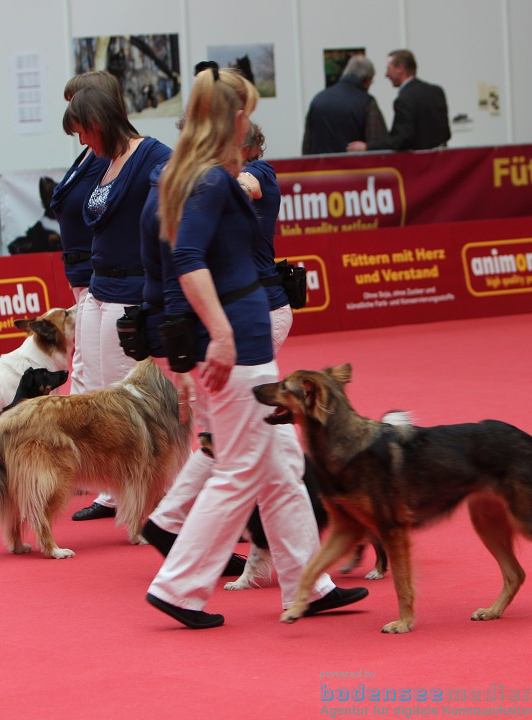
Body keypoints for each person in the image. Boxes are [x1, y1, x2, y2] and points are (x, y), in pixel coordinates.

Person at [144, 66, 367, 629]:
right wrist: (216, 337)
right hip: (239, 345)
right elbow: (187, 262)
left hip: (240, 341)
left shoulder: (194, 175)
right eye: (248, 109)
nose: (252, 119)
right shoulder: (210, 181)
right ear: (235, 117)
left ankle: (309, 583)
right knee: (241, 470)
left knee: (282, 467)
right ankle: (178, 587)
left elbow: (183, 265)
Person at [65, 83, 172, 525]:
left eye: (82, 131)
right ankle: (118, 491)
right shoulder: (107, 161)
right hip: (98, 289)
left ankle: (155, 498)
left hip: (129, 292)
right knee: (96, 395)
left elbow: (166, 214)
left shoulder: (154, 156)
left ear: (98, 123)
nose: (81, 142)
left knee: (127, 405)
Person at [50, 72, 115, 398]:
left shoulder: (108, 155)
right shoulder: (89, 153)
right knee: (85, 362)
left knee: (91, 365)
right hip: (81, 272)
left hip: (96, 273)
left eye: (74, 104)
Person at [347, 49, 450, 153]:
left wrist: (368, 146)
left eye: (388, 69)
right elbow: (446, 133)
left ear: (400, 68)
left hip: (418, 164)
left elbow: (401, 140)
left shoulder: (404, 99)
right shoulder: (437, 91)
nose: (386, 75)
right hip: (441, 162)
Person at [301, 55, 387, 155]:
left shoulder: (318, 100)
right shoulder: (367, 102)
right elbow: (378, 142)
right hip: (355, 167)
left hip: (321, 169)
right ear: (367, 80)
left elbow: (307, 144)